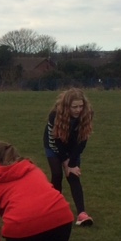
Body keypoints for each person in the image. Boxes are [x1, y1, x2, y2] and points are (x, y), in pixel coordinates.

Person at [43, 88, 95, 226]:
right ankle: (54, 210)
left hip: (73, 147)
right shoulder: (55, 115)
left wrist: (71, 163)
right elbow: (55, 141)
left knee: (73, 176)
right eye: (74, 107)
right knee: (57, 174)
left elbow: (82, 141)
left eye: (81, 106)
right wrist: (65, 162)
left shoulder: (87, 114)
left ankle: (82, 214)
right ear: (67, 106)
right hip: (54, 146)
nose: (78, 110)